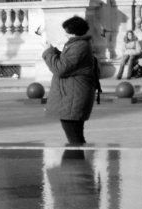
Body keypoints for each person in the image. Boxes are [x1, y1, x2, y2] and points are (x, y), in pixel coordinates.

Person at [41, 16, 97, 145]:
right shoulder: (77, 44)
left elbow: (61, 68)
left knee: (73, 135)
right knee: (75, 133)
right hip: (72, 93)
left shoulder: (79, 46)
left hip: (74, 94)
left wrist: (48, 52)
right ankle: (78, 160)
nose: (64, 33)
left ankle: (76, 162)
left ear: (72, 31)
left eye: (66, 30)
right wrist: (54, 51)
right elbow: (67, 61)